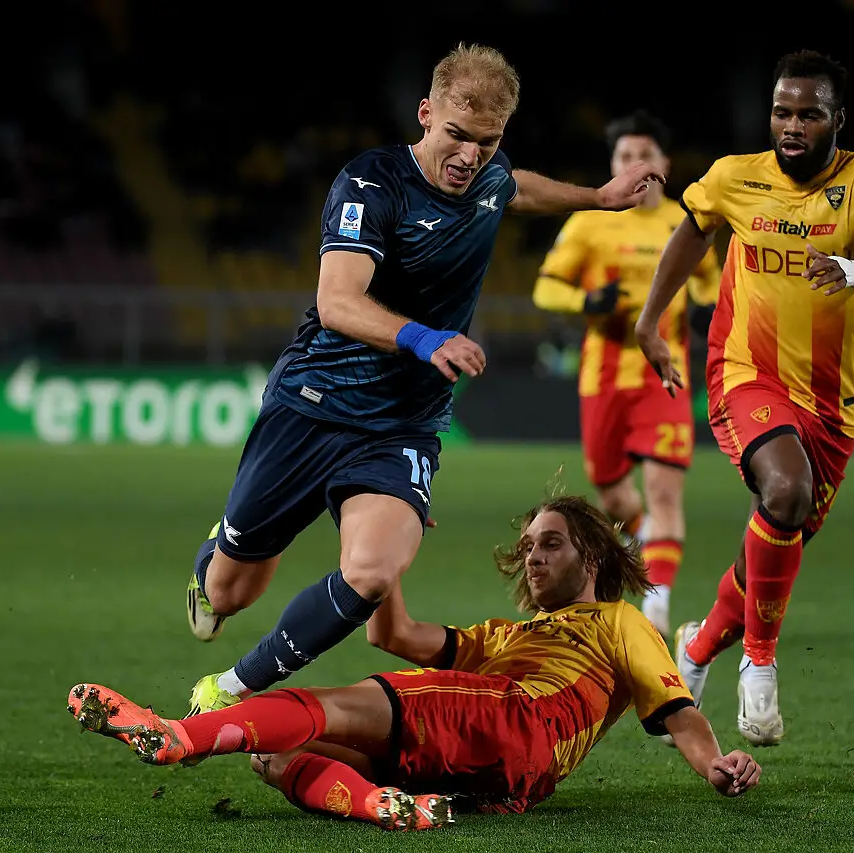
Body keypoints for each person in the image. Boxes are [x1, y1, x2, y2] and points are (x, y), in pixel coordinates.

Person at [181, 44, 665, 714]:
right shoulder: (370, 184)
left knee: (373, 573)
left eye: (487, 142)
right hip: (314, 402)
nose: (470, 156)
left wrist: (598, 198)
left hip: (401, 424)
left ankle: (230, 689)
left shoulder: (489, 175)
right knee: (233, 591)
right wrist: (423, 336)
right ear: (426, 114)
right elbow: (337, 302)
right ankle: (217, 557)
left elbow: (517, 186)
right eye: (457, 137)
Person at [69, 496, 762, 831]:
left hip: (524, 718)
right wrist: (383, 550)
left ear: (595, 555)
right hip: (497, 765)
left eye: (550, 542)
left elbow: (676, 707)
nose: (534, 556)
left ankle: (178, 736)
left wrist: (713, 763)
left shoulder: (618, 620)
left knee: (335, 702)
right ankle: (387, 806)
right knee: (277, 756)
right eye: (527, 546)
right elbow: (392, 632)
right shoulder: (504, 636)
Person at [636, 50, 854, 747]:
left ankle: (696, 644)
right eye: (783, 111)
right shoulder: (734, 176)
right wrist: (650, 319)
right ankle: (759, 661)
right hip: (744, 370)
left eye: (810, 113)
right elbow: (691, 231)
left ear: (839, 119)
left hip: (831, 405)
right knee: (783, 491)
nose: (793, 125)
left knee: (773, 543)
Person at [532, 109, 720, 637]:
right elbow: (545, 288)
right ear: (612, 164)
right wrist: (588, 299)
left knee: (663, 491)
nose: (634, 163)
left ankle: (655, 605)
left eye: (644, 154)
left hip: (665, 372)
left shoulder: (687, 225)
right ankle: (642, 545)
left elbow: (713, 285)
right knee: (614, 497)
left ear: (663, 163)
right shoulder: (590, 222)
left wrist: (707, 306)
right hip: (604, 376)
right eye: (624, 156)